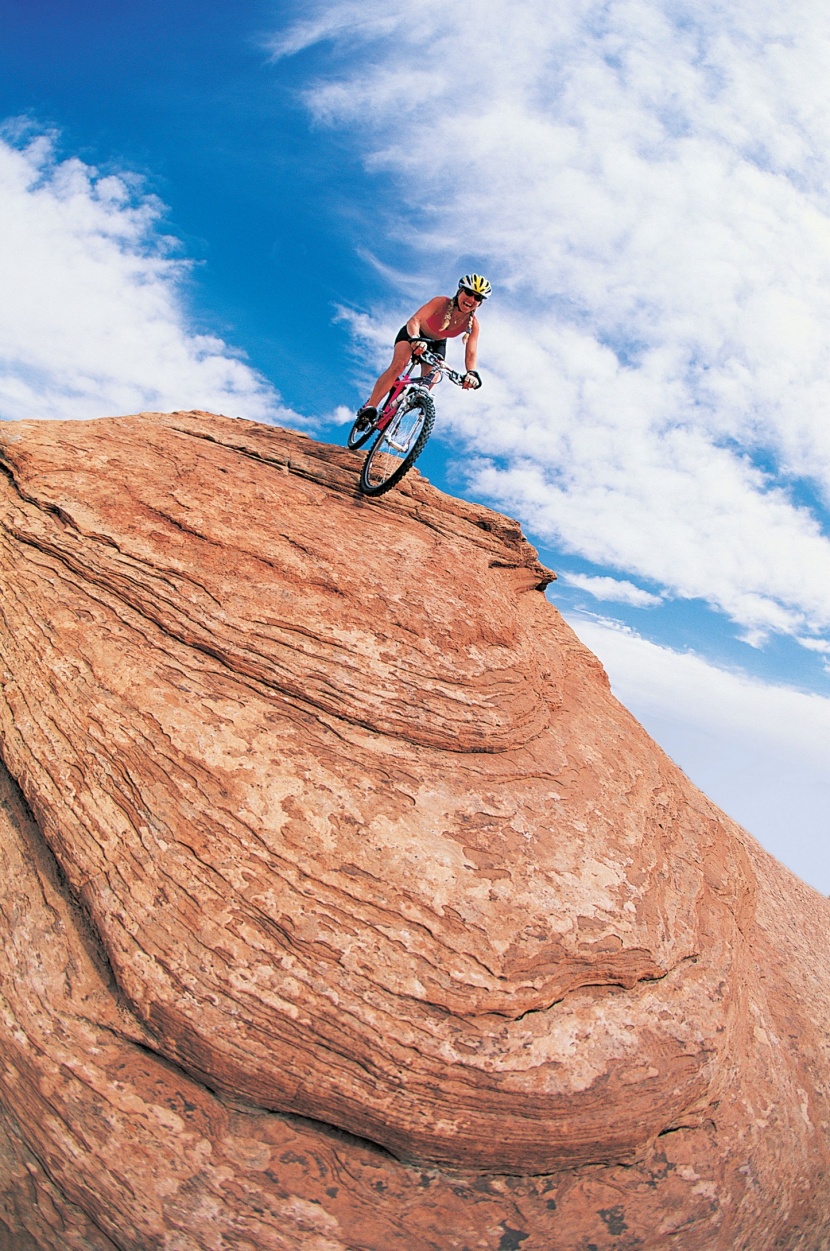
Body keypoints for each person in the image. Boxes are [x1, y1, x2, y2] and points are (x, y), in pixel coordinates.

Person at [355, 274, 491, 427]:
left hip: (437, 344)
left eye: (478, 297)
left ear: (480, 303)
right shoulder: (441, 302)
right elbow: (415, 320)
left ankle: (395, 413)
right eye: (469, 293)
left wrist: (471, 373)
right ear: (460, 291)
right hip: (414, 333)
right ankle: (369, 409)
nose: (471, 299)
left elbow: (471, 353)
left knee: (431, 380)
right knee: (399, 365)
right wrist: (415, 338)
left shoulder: (473, 325)